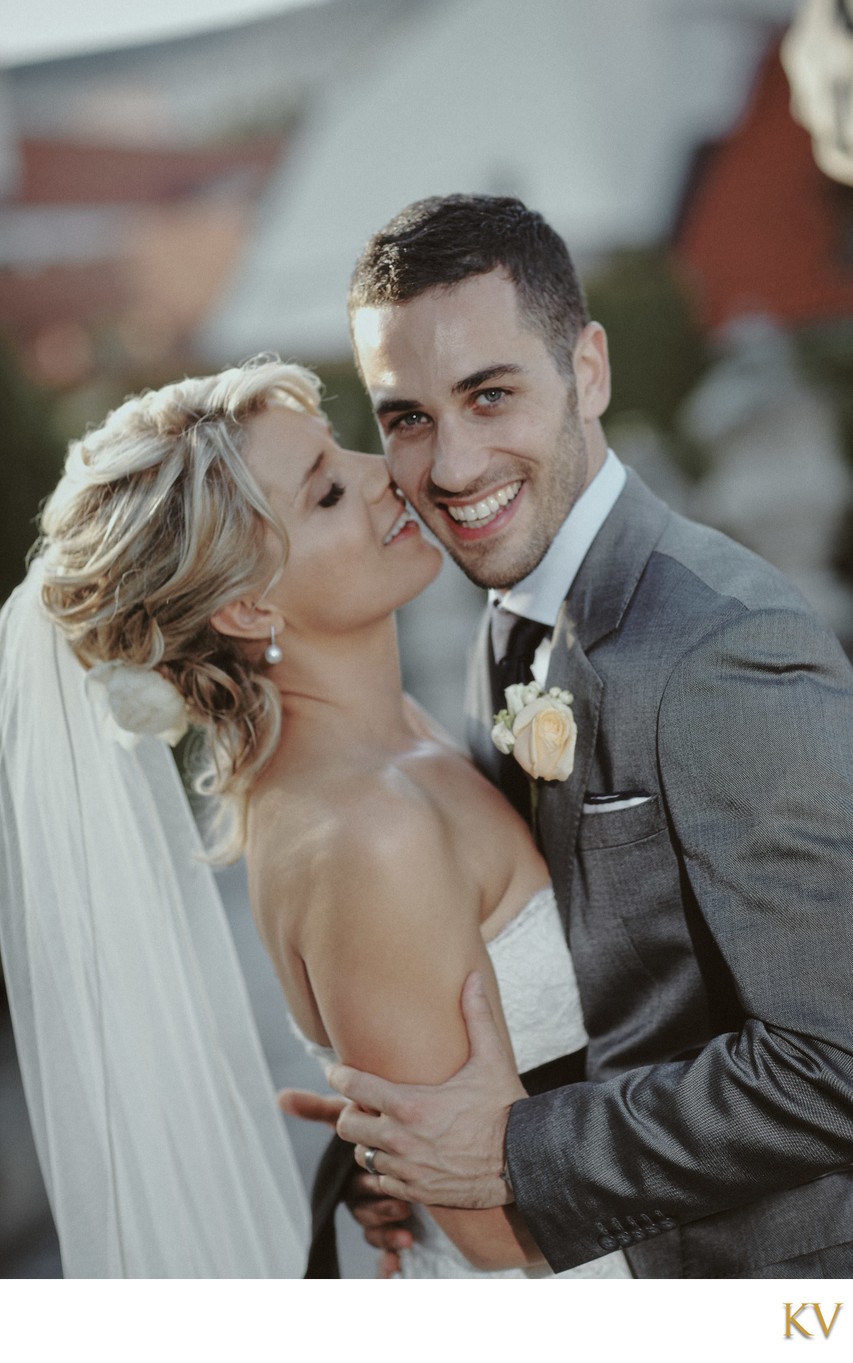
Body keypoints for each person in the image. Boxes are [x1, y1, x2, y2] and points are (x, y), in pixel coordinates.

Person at [301, 194, 853, 1278]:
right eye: (406, 416)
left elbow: (834, 1060)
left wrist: (511, 1151)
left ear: (587, 371)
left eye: (490, 395)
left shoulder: (720, 652)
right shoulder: (505, 623)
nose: (450, 469)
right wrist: (411, 1152)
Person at [0, 356, 631, 1279]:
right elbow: (498, 1240)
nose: (386, 472)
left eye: (344, 448)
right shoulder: (366, 830)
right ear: (249, 603)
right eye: (329, 490)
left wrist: (386, 1153)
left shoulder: (387, 739)